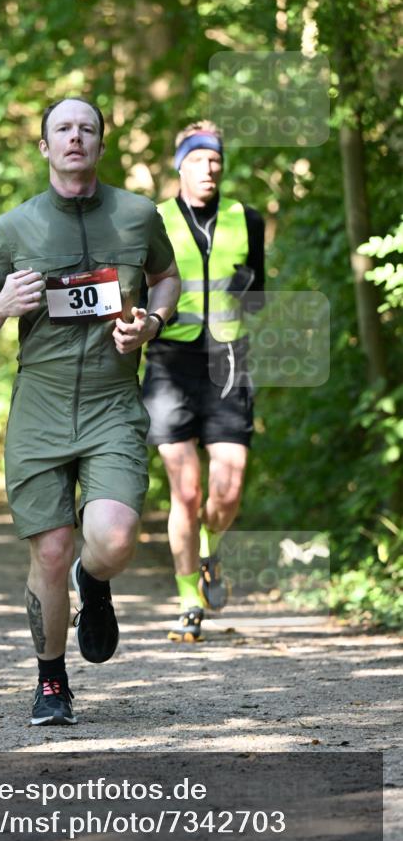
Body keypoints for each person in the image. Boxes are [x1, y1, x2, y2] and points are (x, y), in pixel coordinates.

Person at [0, 97, 181, 726]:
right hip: (41, 405)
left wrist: (154, 323)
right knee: (50, 550)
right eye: (63, 129)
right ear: (45, 147)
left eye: (87, 128)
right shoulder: (15, 227)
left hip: (113, 401)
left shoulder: (138, 215)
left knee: (109, 543)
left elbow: (167, 278)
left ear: (101, 144)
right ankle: (52, 681)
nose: (75, 138)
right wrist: (2, 302)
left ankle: (98, 580)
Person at [142, 121, 265, 642]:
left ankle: (211, 547)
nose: (209, 168)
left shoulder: (246, 218)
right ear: (180, 165)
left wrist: (247, 286)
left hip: (229, 361)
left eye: (215, 159)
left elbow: (259, 293)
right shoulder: (153, 219)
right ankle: (189, 599)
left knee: (227, 491)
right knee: (186, 492)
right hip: (170, 361)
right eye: (198, 159)